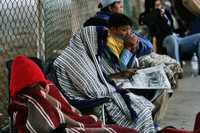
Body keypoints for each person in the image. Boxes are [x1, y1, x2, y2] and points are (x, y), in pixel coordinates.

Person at [8, 55, 139, 133]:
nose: (35, 89)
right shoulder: (25, 101)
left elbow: (67, 110)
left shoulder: (50, 88)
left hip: (77, 118)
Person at [84, 0, 183, 89]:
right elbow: (120, 65)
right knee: (168, 70)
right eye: (118, 2)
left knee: (173, 66)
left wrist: (133, 45)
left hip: (133, 57)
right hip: (135, 59)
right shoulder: (107, 26)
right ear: (110, 7)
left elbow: (139, 44)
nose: (122, 5)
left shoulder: (120, 22)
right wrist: (130, 47)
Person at [139, 0, 200, 66]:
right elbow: (144, 22)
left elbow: (174, 27)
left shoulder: (166, 12)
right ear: (151, 7)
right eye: (157, 5)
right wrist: (157, 13)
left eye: (160, 4)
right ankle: (177, 67)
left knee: (199, 37)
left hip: (177, 38)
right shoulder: (147, 15)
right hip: (165, 39)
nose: (160, 7)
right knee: (172, 39)